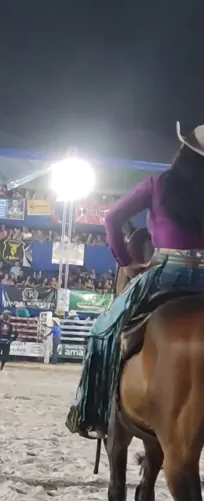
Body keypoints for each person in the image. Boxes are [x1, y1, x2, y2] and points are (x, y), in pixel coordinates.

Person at [66, 123, 204, 438]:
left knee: (102, 330)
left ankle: (93, 414)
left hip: (167, 272)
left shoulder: (159, 184)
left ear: (184, 151)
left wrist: (125, 262)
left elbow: (112, 217)